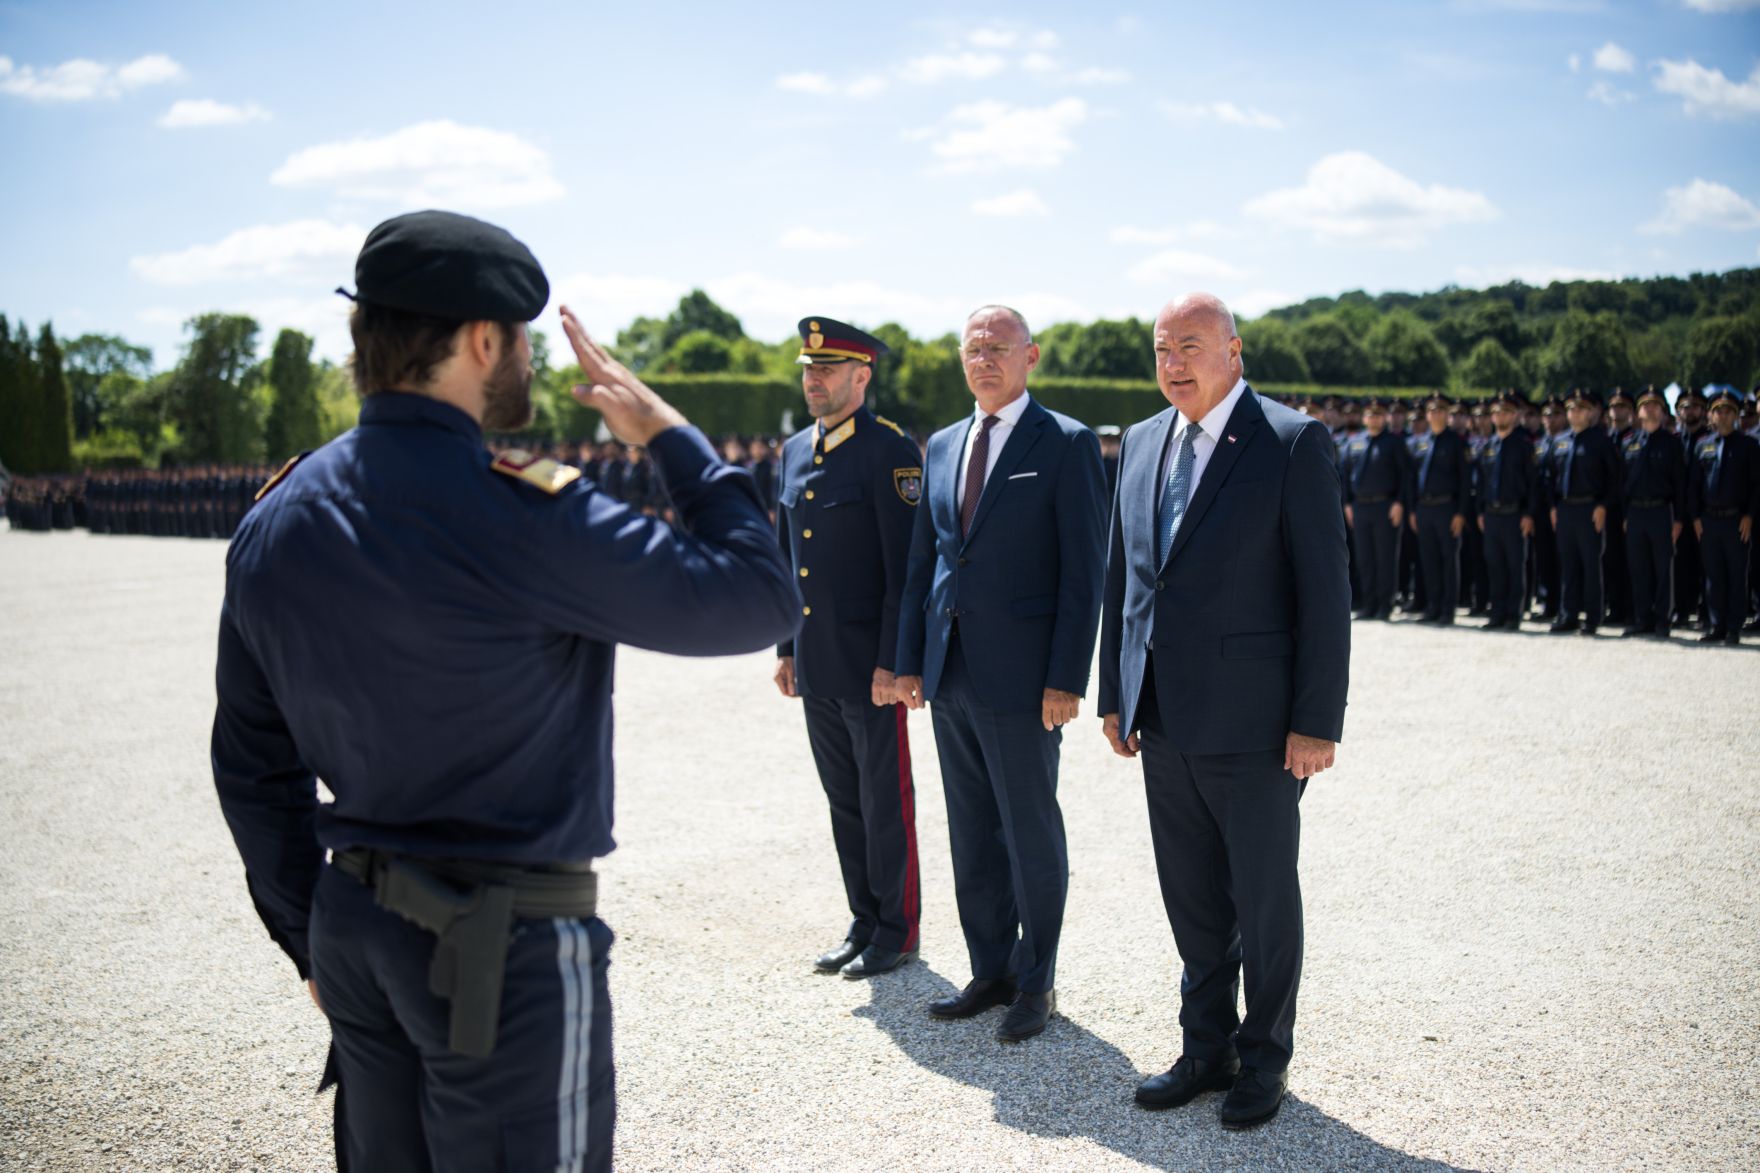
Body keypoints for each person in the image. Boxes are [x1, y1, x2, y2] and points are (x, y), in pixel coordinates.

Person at [210, 210, 800, 1173]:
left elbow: (249, 764)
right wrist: (673, 436)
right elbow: (756, 597)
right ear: (482, 340)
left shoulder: (280, 513)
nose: (525, 358)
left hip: (353, 933)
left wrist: (307, 939)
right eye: (520, 338)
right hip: (497, 948)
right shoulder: (516, 504)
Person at [1097, 292, 1349, 1131]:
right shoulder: (1138, 442)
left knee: (1263, 897)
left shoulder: (1290, 441)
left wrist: (1317, 720)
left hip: (1256, 723)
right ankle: (1205, 1048)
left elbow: (1324, 592)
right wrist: (1115, 691)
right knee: (1192, 898)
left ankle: (1264, 1058)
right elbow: (1124, 579)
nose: (1174, 362)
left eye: (1192, 345)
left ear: (1234, 351)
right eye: (1163, 348)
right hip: (1163, 716)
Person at [893, 305, 1106, 1043]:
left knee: (1028, 829)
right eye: (973, 348)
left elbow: (1086, 571)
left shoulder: (1067, 442)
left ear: (1030, 356)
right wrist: (909, 661)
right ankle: (990, 968)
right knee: (972, 830)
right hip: (949, 670)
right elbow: (926, 561)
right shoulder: (946, 443)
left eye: (998, 347)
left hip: (1023, 678)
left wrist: (1066, 678)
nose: (983, 359)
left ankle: (1037, 979)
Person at [773, 316, 924, 979]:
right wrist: (783, 647)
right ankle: (863, 919)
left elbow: (907, 567)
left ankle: (897, 928)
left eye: (828, 369)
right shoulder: (792, 453)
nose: (814, 379)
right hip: (816, 658)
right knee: (844, 799)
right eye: (809, 369)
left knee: (885, 799)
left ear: (861, 377)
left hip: (872, 666)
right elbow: (787, 559)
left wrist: (896, 659)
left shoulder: (889, 450)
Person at [1688, 388, 1760, 644]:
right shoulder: (1703, 446)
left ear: (1737, 415)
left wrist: (1750, 516)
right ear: (1711, 415)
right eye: (1718, 411)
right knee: (1713, 576)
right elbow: (1694, 485)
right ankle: (1716, 625)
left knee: (1736, 575)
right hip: (1708, 520)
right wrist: (1695, 517)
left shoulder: (1749, 446)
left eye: (1729, 411)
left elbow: (1756, 486)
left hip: (1735, 520)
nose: (1724, 415)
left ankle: (1733, 628)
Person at [1548, 390, 1620, 635]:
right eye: (1571, 409)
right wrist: (1553, 506)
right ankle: (1568, 614)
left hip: (1590, 508)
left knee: (1590, 564)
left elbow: (1614, 479)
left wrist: (1602, 506)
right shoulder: (1560, 440)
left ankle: (1592, 617)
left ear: (1590, 413)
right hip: (1565, 508)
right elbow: (1550, 476)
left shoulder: (1600, 440)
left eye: (1580, 409)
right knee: (1568, 565)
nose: (1575, 413)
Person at [1620, 387, 1687, 638]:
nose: (1650, 409)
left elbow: (1680, 484)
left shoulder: (1671, 444)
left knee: (1662, 569)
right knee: (1639, 569)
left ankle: (1662, 621)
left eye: (1656, 405)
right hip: (1636, 512)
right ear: (1638, 412)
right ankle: (1642, 619)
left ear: (1663, 412)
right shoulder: (1630, 443)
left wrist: (1679, 518)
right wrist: (1626, 515)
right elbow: (1622, 483)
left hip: (1661, 511)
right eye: (1645, 405)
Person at [1340, 398, 1410, 620]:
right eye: (1370, 415)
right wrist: (1348, 504)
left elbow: (1406, 476)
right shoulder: (1355, 442)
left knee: (1385, 558)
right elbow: (1345, 475)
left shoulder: (1394, 443)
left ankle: (1384, 605)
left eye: (1378, 415)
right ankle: (1369, 605)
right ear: (1364, 418)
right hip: (1360, 507)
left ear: (1385, 418)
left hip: (1385, 506)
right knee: (1364, 558)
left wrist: (1399, 502)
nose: (1374, 419)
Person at [1406, 394, 1471, 625]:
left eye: (1441, 411)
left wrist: (1461, 513)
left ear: (1447, 414)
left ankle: (1447, 609)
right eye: (1432, 411)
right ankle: (1432, 607)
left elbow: (1465, 481)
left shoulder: (1457, 442)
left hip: (1447, 507)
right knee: (1429, 561)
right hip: (1424, 508)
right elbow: (1413, 478)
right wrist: (1413, 509)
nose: (1435, 415)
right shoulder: (1421, 442)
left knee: (1448, 560)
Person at [1476, 391, 1537, 631]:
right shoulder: (1488, 446)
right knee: (1495, 565)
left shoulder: (1523, 445)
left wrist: (1529, 514)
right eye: (1497, 412)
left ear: (1515, 416)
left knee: (1514, 565)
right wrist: (1480, 511)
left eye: (1505, 412)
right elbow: (1482, 482)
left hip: (1514, 514)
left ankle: (1514, 614)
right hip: (1492, 514)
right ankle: (1497, 612)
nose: (1500, 416)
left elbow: (1533, 483)